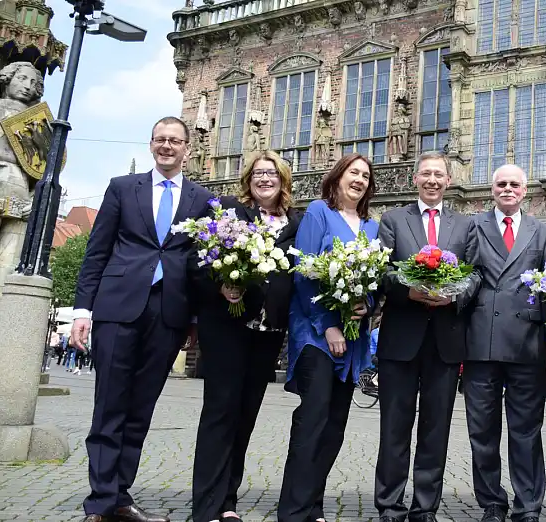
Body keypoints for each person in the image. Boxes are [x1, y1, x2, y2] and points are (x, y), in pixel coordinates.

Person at [72, 116, 213, 522]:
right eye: (160, 140)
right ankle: (99, 502)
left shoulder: (201, 199)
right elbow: (97, 251)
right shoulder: (122, 187)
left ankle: (120, 496)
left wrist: (196, 320)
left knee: (140, 409)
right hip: (118, 306)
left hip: (168, 312)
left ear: (188, 148)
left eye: (175, 141)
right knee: (110, 404)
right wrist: (84, 309)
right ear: (152, 144)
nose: (167, 146)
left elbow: (199, 265)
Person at [191, 151, 301, 522]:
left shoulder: (296, 223)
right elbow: (198, 260)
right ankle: (207, 506)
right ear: (248, 180)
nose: (264, 178)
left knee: (246, 416)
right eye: (258, 173)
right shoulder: (229, 213)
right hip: (228, 329)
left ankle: (228, 499)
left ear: (283, 180)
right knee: (220, 413)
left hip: (269, 334)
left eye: (272, 173)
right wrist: (222, 284)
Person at [374, 151, 480, 522]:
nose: (432, 180)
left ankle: (425, 508)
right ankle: (389, 505)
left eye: (439, 175)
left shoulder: (465, 226)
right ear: (414, 179)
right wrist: (409, 291)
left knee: (435, 430)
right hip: (401, 337)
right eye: (426, 174)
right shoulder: (393, 220)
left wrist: (454, 295)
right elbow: (382, 272)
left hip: (445, 340)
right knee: (395, 427)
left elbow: (475, 275)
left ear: (448, 181)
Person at [276, 153, 378, 522]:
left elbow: (373, 283)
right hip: (316, 335)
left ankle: (313, 505)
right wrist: (328, 325)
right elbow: (303, 271)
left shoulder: (371, 227)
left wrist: (366, 304)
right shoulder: (319, 212)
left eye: (366, 176)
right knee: (313, 417)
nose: (360, 180)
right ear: (338, 177)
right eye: (354, 172)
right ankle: (292, 511)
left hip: (352, 340)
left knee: (335, 426)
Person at [463, 164, 546, 522]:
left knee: (526, 429)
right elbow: (467, 274)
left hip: (526, 343)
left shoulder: (542, 231)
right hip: (482, 340)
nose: (508, 189)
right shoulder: (474, 226)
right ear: (492, 190)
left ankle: (528, 504)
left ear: (525, 190)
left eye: (514, 184)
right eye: (501, 184)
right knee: (482, 429)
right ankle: (492, 502)